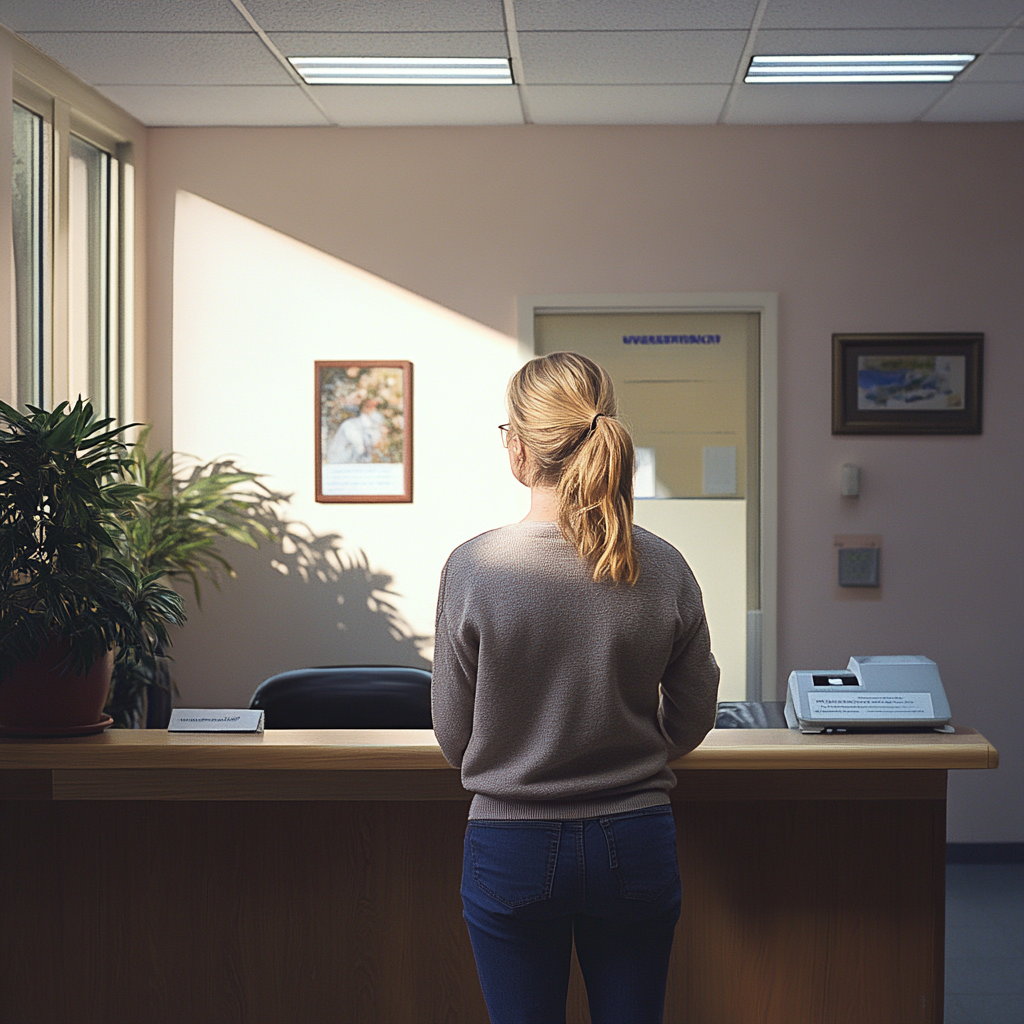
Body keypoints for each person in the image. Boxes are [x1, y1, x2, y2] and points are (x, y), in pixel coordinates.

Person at [432, 351, 720, 1024]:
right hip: (636, 836)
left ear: (518, 449)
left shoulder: (475, 567)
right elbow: (693, 717)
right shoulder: (664, 565)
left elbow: (454, 736)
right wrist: (627, 754)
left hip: (511, 843)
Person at [325, 397, 387, 464]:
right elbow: (361, 449)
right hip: (340, 463)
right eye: (369, 406)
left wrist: (383, 435)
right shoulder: (350, 425)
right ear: (363, 408)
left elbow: (375, 447)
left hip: (354, 463)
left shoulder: (374, 426)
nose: (373, 409)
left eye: (375, 407)